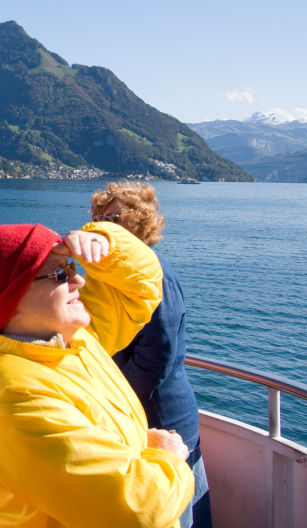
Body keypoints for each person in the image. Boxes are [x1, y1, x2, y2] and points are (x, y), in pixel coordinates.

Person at [0, 220, 193, 528]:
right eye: (60, 274)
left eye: (71, 267)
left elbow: (141, 288)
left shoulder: (69, 341)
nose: (79, 280)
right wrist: (167, 458)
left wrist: (107, 244)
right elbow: (136, 511)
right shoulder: (16, 396)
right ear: (10, 302)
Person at [91, 182, 212, 527]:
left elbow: (157, 359)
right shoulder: (122, 275)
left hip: (161, 415)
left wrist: (108, 397)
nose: (103, 225)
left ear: (140, 220)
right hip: (145, 414)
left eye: (113, 217)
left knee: (176, 509)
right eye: (99, 217)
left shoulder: (153, 274)